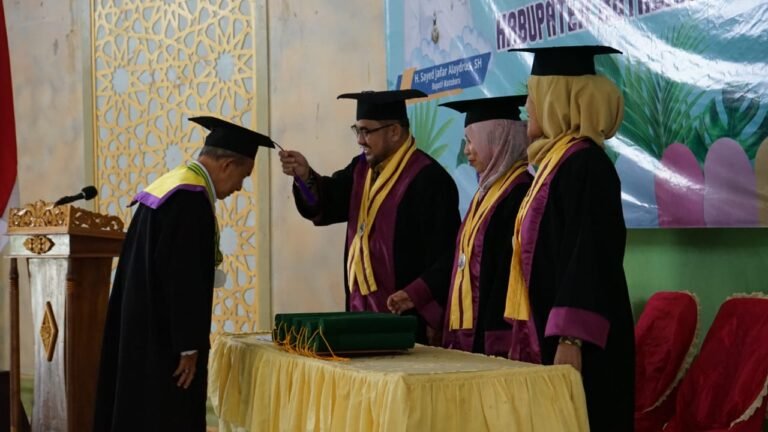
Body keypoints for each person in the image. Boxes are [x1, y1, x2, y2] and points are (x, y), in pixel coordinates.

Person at [93, 116, 274, 432]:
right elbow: (182, 279)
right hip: (165, 342)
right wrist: (188, 346)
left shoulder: (167, 188)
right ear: (227, 165)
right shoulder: (190, 200)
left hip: (141, 327)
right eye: (243, 177)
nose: (238, 188)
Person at [503, 45, 635, 431]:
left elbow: (590, 256)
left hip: (583, 344)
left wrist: (571, 338)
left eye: (534, 94)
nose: (527, 106)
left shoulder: (587, 165)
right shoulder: (553, 164)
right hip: (551, 331)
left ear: (557, 99)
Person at [279, 89, 460, 345]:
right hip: (360, 313)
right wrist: (305, 176)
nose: (360, 140)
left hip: (407, 319)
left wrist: (418, 298)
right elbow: (327, 203)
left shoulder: (429, 179)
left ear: (394, 131)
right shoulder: (361, 169)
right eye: (357, 130)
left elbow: (448, 256)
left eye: (366, 131)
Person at [438, 95, 538, 360]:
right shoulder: (487, 191)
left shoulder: (521, 194)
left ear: (497, 140)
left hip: (499, 331)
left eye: (472, 141)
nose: (466, 151)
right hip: (474, 328)